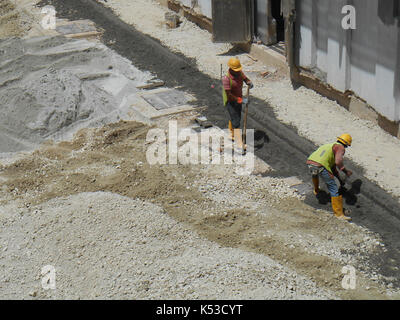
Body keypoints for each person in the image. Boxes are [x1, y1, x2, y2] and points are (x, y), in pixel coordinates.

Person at [306, 134, 353, 221]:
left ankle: (316, 190)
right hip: (321, 165)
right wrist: (345, 171)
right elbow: (338, 162)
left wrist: (338, 178)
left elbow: (332, 168)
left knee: (315, 174)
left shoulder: (329, 146)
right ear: (346, 144)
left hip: (310, 162)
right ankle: (339, 214)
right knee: (334, 188)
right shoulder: (340, 148)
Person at [222, 57, 253, 150]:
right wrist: (241, 100)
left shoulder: (239, 72)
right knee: (236, 121)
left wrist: (248, 81)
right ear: (231, 69)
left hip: (238, 99)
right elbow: (229, 95)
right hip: (230, 102)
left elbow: (244, 77)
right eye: (236, 70)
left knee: (236, 116)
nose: (237, 71)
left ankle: (231, 134)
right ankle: (239, 142)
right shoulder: (226, 79)